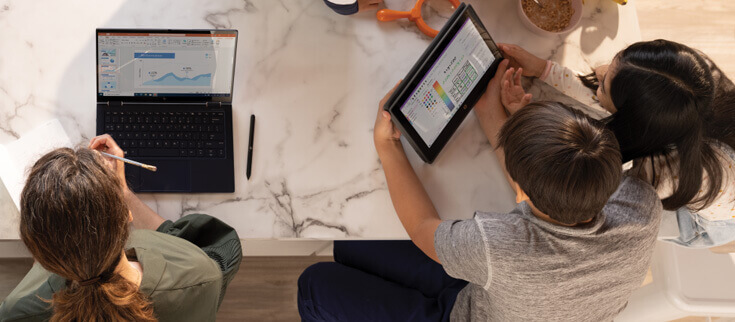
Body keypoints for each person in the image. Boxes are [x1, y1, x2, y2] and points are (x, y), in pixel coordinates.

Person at [297, 59, 663, 321]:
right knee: (349, 244)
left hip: (471, 308)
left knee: (314, 285)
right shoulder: (641, 206)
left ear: (524, 189)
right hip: (507, 297)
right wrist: (500, 113)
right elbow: (548, 187)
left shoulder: (500, 246)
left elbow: (423, 226)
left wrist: (387, 146)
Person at [498, 39, 735, 247]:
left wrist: (523, 118)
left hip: (704, 224)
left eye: (603, 85)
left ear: (632, 124)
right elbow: (599, 94)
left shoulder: (654, 177)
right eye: (613, 64)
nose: (599, 71)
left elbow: (580, 207)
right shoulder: (686, 87)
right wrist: (541, 68)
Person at [0, 135, 242, 322]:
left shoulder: (17, 311)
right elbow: (226, 249)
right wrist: (124, 192)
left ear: (40, 250)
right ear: (127, 216)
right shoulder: (199, 277)